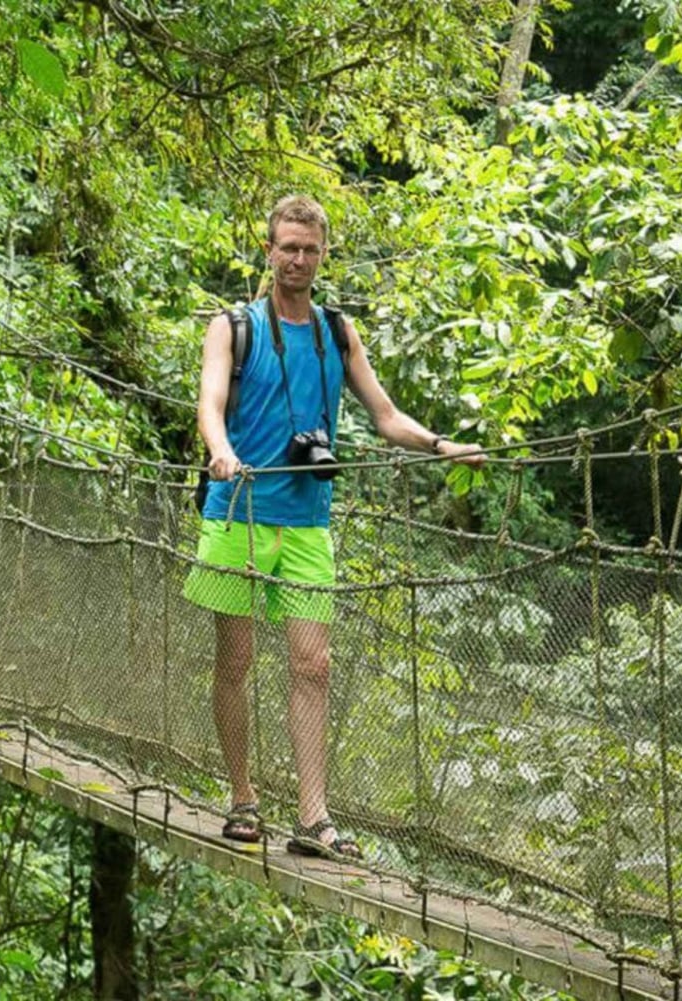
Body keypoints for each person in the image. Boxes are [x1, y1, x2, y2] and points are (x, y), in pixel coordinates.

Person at [183, 195, 484, 859]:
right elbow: (209, 401)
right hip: (240, 513)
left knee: (312, 664)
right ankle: (243, 797)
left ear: (322, 255)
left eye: (309, 249)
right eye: (287, 247)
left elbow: (384, 413)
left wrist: (441, 446)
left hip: (308, 523)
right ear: (268, 251)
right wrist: (221, 449)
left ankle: (314, 818)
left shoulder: (336, 331)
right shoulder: (233, 327)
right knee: (234, 661)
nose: (297, 259)